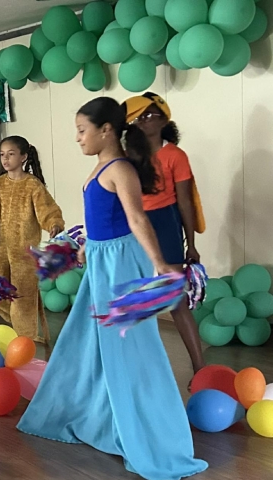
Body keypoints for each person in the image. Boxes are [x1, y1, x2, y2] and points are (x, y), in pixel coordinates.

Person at [16, 98, 207, 480]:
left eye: (82, 130)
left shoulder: (121, 169)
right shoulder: (103, 167)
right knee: (85, 341)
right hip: (103, 259)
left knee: (130, 348)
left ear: (106, 131)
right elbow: (106, 218)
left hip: (121, 263)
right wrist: (89, 245)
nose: (77, 138)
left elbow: (138, 220)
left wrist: (160, 262)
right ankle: (100, 414)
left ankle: (152, 433)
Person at [123, 92, 205, 381]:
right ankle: (136, 371)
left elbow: (185, 202)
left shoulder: (175, 156)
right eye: (140, 116)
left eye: (152, 114)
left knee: (176, 299)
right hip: (133, 224)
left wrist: (191, 244)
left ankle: (199, 368)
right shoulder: (127, 156)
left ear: (164, 119)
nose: (146, 120)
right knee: (135, 295)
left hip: (165, 223)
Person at [0, 136, 65, 342]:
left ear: (23, 157)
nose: (5, 159)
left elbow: (48, 211)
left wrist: (54, 224)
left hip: (24, 255)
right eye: (2, 155)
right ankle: (21, 327)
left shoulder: (33, 186)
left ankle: (25, 340)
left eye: (11, 154)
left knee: (23, 299)